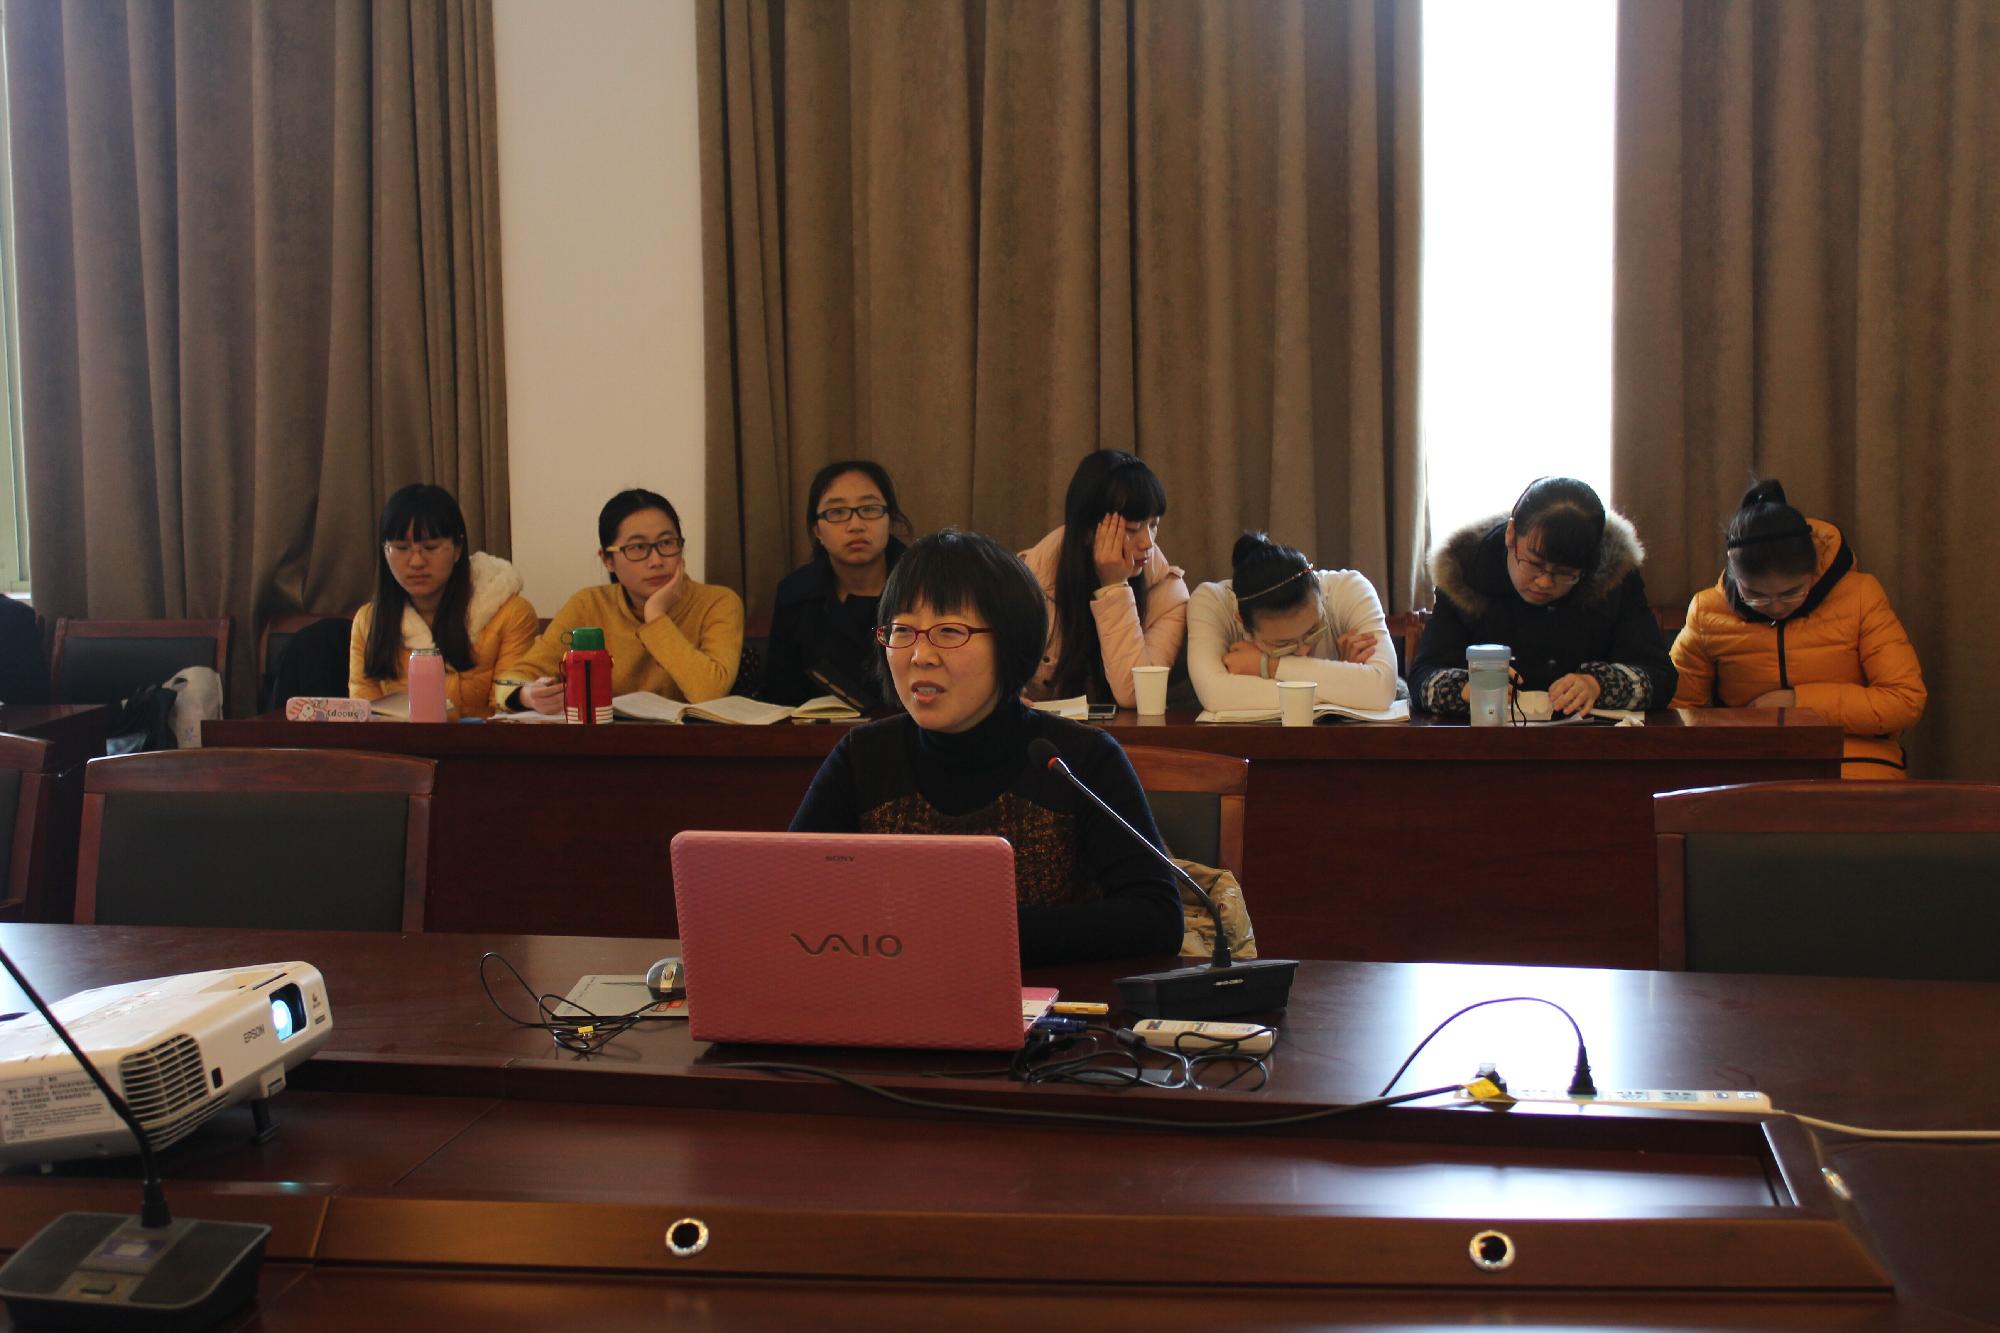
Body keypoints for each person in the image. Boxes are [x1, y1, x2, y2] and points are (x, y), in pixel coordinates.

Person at [789, 528, 1183, 966]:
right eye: (903, 631)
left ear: (1012, 643)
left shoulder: (1078, 759)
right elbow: (788, 896)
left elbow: (1157, 919)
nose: (921, 655)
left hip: (1049, 1004)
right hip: (892, 999)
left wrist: (978, 932)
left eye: (949, 631)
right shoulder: (863, 756)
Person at [1671, 480, 1925, 777]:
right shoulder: (1707, 611)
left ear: (1813, 570)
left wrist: (1797, 703)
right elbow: (1678, 712)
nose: (1776, 607)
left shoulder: (1860, 595)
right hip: (1748, 760)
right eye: (1755, 595)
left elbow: (1904, 700)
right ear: (1734, 574)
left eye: (1792, 592)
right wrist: (1739, 727)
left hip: (1854, 757)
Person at [1410, 477, 1675, 717]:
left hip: (1591, 743)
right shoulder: (1464, 571)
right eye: (1534, 564)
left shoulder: (1613, 576)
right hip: (1488, 742)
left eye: (1565, 573)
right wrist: (1467, 688)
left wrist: (1597, 684)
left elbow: (1660, 677)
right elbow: (1424, 679)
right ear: (1511, 535)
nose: (1545, 582)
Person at [499, 489, 742, 713]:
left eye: (667, 543)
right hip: (606, 741)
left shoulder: (717, 602)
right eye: (637, 547)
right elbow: (508, 681)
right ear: (607, 560)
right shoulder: (588, 605)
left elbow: (710, 692)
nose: (656, 560)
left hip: (689, 742)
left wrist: (655, 616)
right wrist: (527, 695)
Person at [349, 484, 537, 719]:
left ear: (457, 549)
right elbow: (365, 716)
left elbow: (507, 713)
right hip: (397, 743)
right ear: (385, 552)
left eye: (430, 547)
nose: (416, 562)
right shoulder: (368, 621)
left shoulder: (511, 614)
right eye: (401, 548)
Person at [1020, 450, 1189, 709]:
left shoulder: (1168, 593)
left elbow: (1136, 695)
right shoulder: (1025, 584)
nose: (1148, 542)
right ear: (1087, 531)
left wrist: (1114, 588)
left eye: (1153, 525)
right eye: (1132, 528)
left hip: (1128, 734)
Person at [1187, 532, 1399, 713]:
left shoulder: (1349, 588)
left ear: (1320, 593)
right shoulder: (1212, 602)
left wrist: (1269, 665)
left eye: (1314, 630)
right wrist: (1348, 689)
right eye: (1282, 644)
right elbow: (1215, 695)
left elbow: (1381, 690)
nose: (1304, 650)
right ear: (1242, 622)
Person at [758, 460, 910, 709]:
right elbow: (779, 694)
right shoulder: (795, 593)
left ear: (890, 520)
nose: (856, 525)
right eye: (837, 512)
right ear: (817, 530)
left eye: (869, 509)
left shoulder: (924, 585)